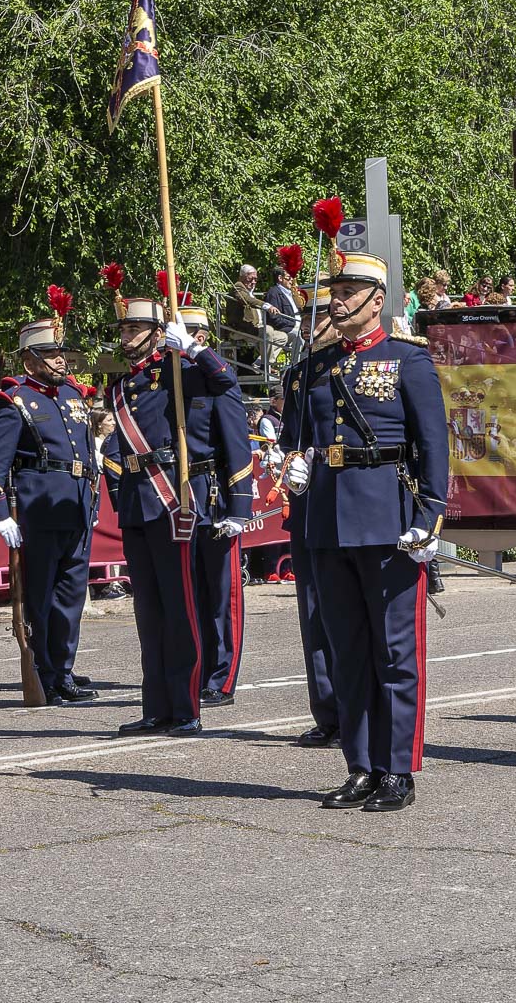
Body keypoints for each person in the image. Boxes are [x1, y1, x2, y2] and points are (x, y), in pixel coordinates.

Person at [278, 252, 449, 814]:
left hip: (388, 521)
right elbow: (298, 438)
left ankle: (398, 768)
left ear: (378, 300)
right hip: (327, 523)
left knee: (395, 653)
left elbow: (433, 446)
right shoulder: (313, 368)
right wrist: (294, 464)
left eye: (351, 290)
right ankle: (361, 765)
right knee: (347, 653)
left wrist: (429, 517)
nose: (339, 298)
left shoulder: (407, 362)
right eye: (335, 289)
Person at [99, 291, 245, 735]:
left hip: (175, 499)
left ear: (157, 334)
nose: (126, 337)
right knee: (150, 611)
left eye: (134, 329)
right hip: (139, 504)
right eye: (123, 329)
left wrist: (196, 351)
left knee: (182, 611)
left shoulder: (181, 374)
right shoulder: (122, 388)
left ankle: (186, 708)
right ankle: (156, 706)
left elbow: (228, 385)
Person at [0, 313, 101, 706]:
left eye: (60, 353)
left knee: (71, 594)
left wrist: (92, 498)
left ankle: (64, 670)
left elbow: (85, 452)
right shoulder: (14, 400)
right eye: (50, 354)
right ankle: (43, 672)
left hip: (76, 505)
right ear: (29, 360)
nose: (60, 361)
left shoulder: (71, 395)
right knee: (42, 596)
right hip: (40, 508)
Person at [274, 281, 342, 747]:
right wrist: (294, 459)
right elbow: (290, 437)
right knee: (314, 610)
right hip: (309, 499)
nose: (308, 327)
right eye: (303, 319)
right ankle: (327, 711)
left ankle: (356, 710)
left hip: (352, 498)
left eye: (316, 318)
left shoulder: (360, 366)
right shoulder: (298, 374)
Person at [176, 304, 252, 704]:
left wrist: (238, 508)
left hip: (212, 494)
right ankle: (196, 668)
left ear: (199, 337)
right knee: (190, 594)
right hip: (174, 495)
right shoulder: (167, 381)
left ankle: (221, 676)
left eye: (184, 335)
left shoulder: (216, 381)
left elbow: (237, 446)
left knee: (222, 596)